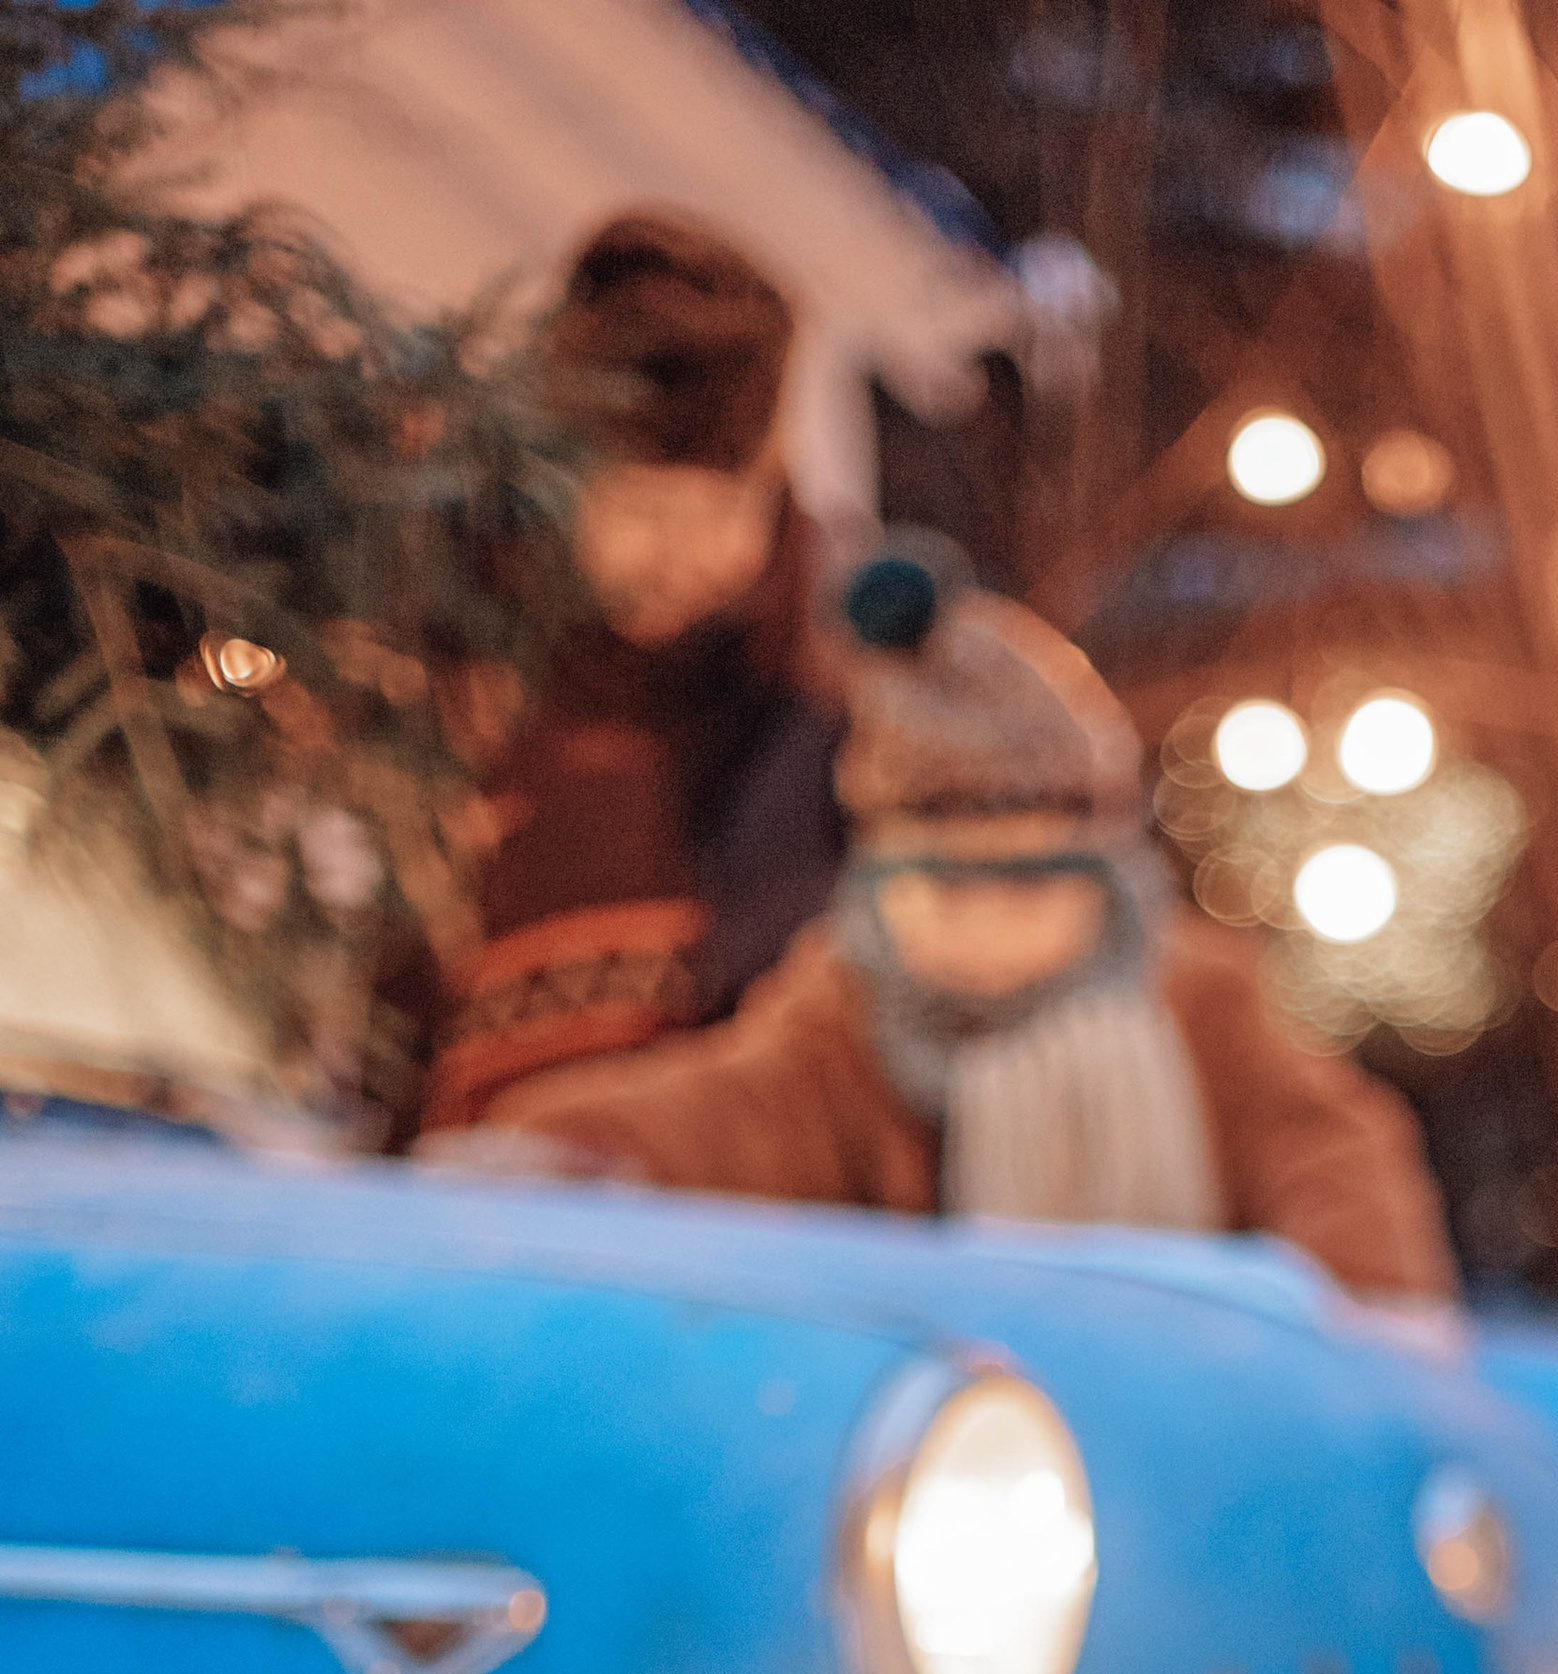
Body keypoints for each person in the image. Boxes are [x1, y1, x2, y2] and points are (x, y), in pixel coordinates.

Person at [468, 555, 1457, 1304]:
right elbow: (727, 1110)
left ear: (1103, 884)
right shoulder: (848, 1017)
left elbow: (1328, 1149)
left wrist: (1364, 1304)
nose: (982, 932)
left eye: (1025, 894)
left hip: (1177, 1418)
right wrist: (576, 1150)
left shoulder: (1195, 1001)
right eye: (942, 894)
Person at [419, 211, 848, 1138]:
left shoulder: (808, 721)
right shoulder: (441, 685)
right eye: (648, 506)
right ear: (549, 485)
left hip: (699, 1233)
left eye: (735, 504)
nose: (698, 554)